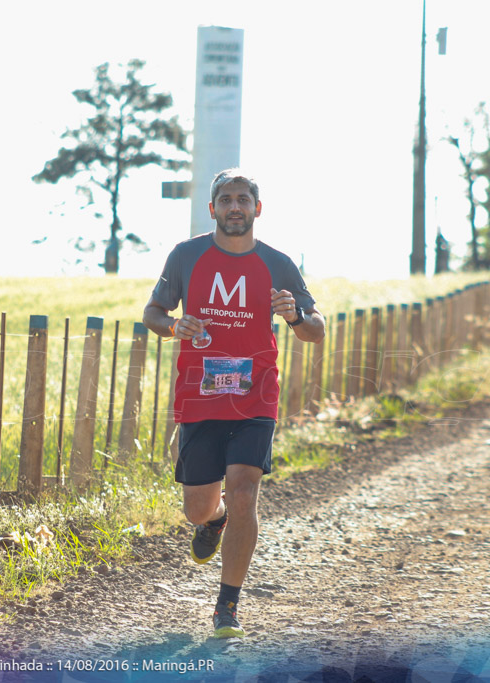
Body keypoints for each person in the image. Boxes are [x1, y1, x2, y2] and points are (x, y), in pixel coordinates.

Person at [143, 169, 325, 639]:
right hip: (200, 397)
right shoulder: (186, 255)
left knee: (245, 492)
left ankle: (227, 607)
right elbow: (153, 312)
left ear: (257, 208)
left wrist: (295, 315)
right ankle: (215, 519)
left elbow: (316, 328)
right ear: (213, 209)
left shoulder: (278, 263)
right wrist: (172, 326)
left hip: (255, 395)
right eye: (226, 199)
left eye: (244, 199)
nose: (235, 207)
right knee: (197, 509)